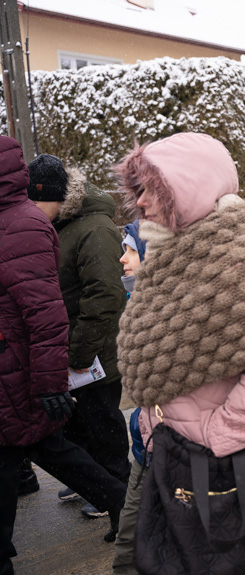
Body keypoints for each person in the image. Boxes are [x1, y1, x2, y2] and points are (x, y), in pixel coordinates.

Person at [114, 132, 245, 574]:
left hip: (217, 453)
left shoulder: (239, 260)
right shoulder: (169, 254)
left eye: (149, 189)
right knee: (158, 554)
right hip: (166, 445)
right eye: (137, 190)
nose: (140, 203)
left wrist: (216, 436)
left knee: (231, 558)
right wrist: (154, 426)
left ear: (185, 186)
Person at [1, 136, 127, 575]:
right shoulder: (45, 224)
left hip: (80, 358)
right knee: (71, 438)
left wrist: (72, 360)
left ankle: (123, 504)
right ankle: (116, 500)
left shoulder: (85, 227)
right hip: (51, 360)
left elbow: (94, 297)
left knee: (103, 429)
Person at [26, 155, 131, 519]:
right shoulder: (58, 225)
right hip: (72, 347)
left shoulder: (95, 228)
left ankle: (117, 486)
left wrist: (80, 352)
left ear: (58, 197)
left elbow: (105, 294)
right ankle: (94, 480)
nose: (34, 211)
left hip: (95, 350)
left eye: (39, 203)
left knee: (103, 422)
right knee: (79, 420)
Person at [112, 220, 147, 575]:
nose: (122, 259)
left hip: (180, 455)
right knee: (127, 547)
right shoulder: (139, 302)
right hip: (145, 446)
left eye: (131, 250)